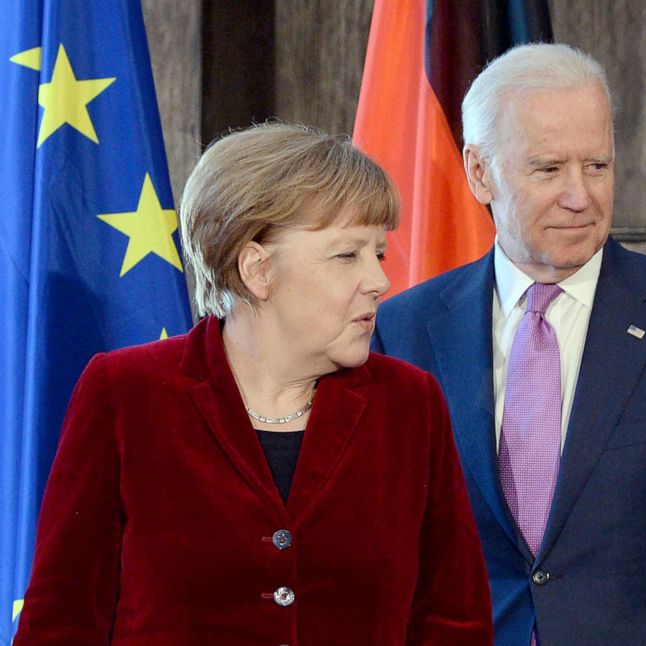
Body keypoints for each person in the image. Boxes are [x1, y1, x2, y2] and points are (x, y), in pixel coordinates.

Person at [372, 44, 646, 644]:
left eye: (597, 166)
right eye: (549, 169)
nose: (581, 196)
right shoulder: (405, 330)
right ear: (479, 172)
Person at [15, 123, 493, 645]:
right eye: (346, 255)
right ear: (257, 269)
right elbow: (61, 623)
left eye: (377, 254)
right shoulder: (125, 395)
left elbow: (453, 622)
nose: (379, 281)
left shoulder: (410, 404)